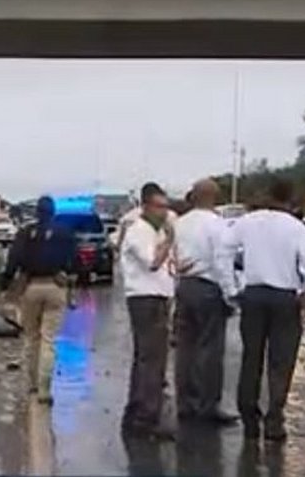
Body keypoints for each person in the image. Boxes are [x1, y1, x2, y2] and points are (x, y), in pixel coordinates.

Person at [219, 177, 305, 443]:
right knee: (281, 361)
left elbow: (223, 251)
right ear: (289, 199)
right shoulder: (296, 227)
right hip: (285, 298)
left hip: (253, 295)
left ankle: (249, 416)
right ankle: (275, 418)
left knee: (251, 357)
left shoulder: (247, 222)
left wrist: (230, 288)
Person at [173, 179, 238, 426]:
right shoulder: (218, 226)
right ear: (214, 197)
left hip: (185, 286)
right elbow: (222, 262)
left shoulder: (180, 224)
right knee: (209, 349)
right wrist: (230, 294)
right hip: (208, 288)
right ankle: (207, 404)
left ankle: (185, 402)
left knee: (185, 347)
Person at [0, 195, 75, 406]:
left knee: (31, 337)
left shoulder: (25, 233)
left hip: (31, 287)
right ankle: (45, 390)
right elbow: (75, 260)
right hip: (56, 286)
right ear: (53, 212)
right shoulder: (64, 233)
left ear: (36, 212)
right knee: (48, 339)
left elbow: (12, 260)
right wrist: (68, 274)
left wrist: (5, 284)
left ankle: (32, 384)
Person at [120, 183, 176, 440]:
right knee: (153, 359)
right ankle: (147, 417)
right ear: (145, 207)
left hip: (155, 297)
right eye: (159, 207)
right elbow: (153, 262)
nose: (164, 212)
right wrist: (171, 239)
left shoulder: (153, 231)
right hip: (146, 299)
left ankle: (137, 410)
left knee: (146, 357)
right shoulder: (139, 232)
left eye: (166, 207)